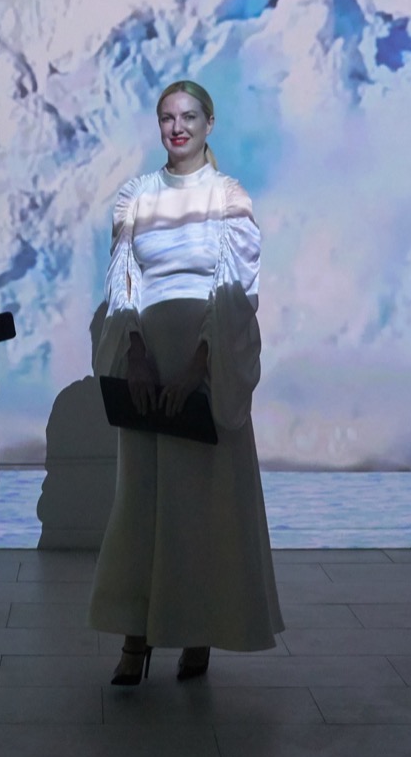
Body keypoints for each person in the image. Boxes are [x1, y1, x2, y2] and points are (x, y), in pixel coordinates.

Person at [87, 79, 283, 684]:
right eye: (168, 117)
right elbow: (123, 284)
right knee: (142, 502)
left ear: (209, 122)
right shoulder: (137, 197)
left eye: (189, 116)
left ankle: (199, 631)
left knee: (203, 506)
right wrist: (138, 354)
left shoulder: (228, 197)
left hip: (208, 363)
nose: (178, 127)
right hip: (148, 365)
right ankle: (136, 636)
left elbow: (235, 288)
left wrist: (201, 366)